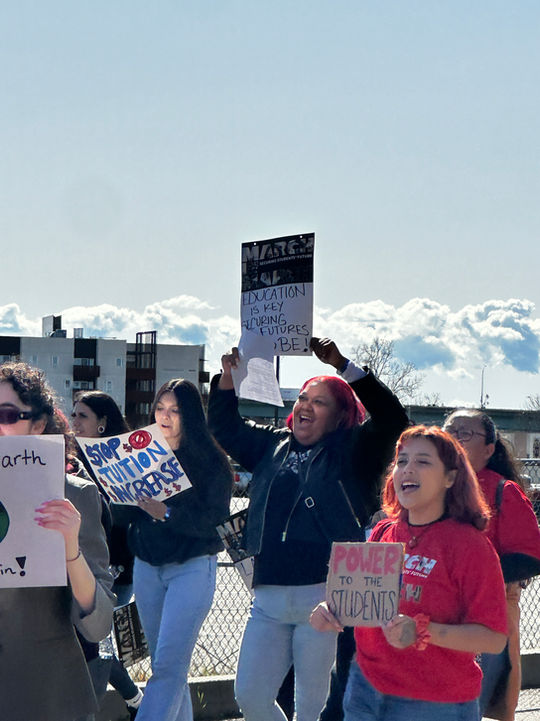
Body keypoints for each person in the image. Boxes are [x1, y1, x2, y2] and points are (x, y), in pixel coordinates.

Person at [207, 337, 408, 721]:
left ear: (340, 415)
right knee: (250, 697)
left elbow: (392, 418)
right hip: (267, 596)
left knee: (312, 708)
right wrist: (228, 380)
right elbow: (225, 426)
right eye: (302, 399)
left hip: (326, 598)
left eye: (319, 402)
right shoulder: (271, 445)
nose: (305, 407)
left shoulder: (355, 449)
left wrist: (343, 366)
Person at [311, 425, 508, 721]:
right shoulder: (383, 532)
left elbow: (493, 639)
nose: (407, 469)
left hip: (434, 704)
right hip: (364, 689)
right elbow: (364, 601)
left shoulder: (471, 546)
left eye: (423, 461)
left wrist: (422, 631)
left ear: (450, 477)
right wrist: (331, 609)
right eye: (402, 461)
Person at [0, 362, 115, 721]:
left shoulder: (73, 497)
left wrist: (70, 549)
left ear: (37, 425)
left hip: (47, 696)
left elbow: (97, 625)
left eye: (7, 414)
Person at [115, 378, 232, 721]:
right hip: (148, 566)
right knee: (168, 668)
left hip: (193, 567)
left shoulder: (212, 461)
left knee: (167, 666)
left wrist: (167, 513)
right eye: (160, 409)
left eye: (175, 410)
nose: (165, 417)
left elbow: (215, 523)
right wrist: (118, 491)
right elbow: (124, 517)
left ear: (190, 415)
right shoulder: (142, 456)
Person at [443, 409, 540, 720]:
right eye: (449, 430)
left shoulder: (503, 491)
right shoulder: (430, 486)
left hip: (488, 610)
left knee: (477, 700)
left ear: (489, 449)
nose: (455, 437)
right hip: (437, 606)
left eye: (465, 433)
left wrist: (476, 574)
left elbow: (530, 557)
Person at [72, 391, 144, 718]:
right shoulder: (69, 460)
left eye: (82, 416)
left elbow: (128, 518)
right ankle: (133, 699)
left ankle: (131, 700)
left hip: (116, 569)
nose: (75, 423)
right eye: (73, 415)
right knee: (92, 644)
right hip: (75, 567)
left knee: (100, 642)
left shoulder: (124, 463)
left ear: (102, 423)